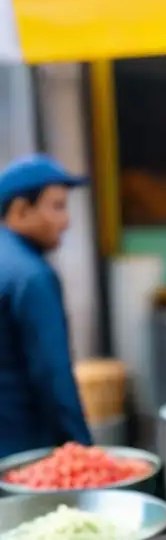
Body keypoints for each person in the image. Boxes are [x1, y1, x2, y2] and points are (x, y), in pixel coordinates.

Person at [0, 154, 92, 457]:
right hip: (21, 454)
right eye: (57, 207)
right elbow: (53, 375)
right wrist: (84, 452)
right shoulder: (31, 275)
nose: (66, 221)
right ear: (20, 210)